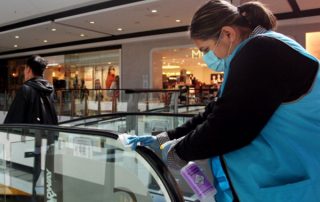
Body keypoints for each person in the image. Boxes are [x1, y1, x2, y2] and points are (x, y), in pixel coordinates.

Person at [124, 1, 320, 202]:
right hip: (271, 180)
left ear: (227, 34)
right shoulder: (251, 53)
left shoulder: (262, 50)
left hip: (290, 182)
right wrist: (164, 138)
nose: (206, 58)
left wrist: (178, 152)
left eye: (205, 49)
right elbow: (215, 112)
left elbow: (229, 126)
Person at [4, 55, 58, 124]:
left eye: (24, 68)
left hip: (31, 132)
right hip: (49, 130)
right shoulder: (50, 88)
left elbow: (14, 118)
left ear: (28, 70)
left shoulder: (25, 89)